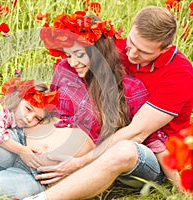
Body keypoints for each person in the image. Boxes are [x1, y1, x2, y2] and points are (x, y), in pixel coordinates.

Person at [0, 10, 157, 199]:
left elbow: (142, 137)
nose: (72, 62)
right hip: (19, 142)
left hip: (43, 176)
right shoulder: (64, 70)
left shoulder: (131, 90)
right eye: (68, 54)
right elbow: (41, 105)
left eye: (79, 55)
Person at [24, 6, 193, 200]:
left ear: (165, 48)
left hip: (151, 156)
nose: (132, 54)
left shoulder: (179, 76)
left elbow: (138, 133)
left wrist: (79, 162)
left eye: (144, 52)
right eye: (131, 43)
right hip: (102, 142)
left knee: (124, 150)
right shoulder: (121, 47)